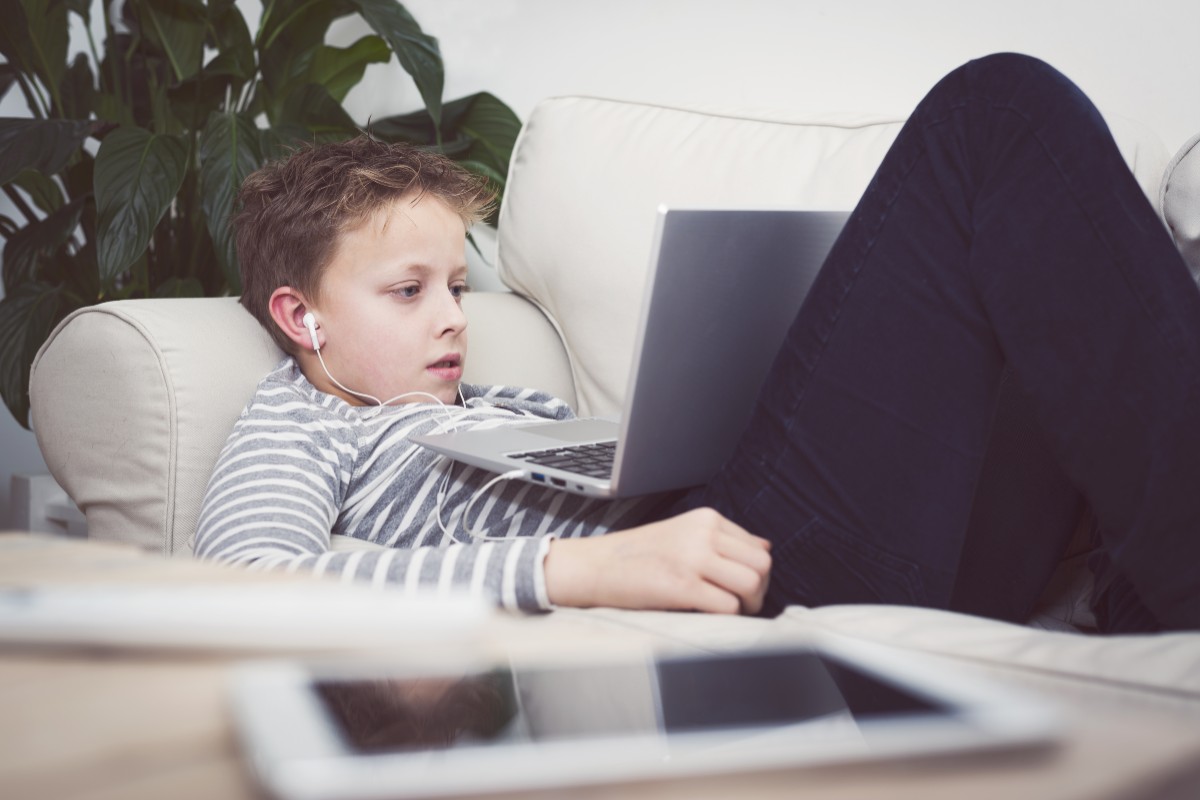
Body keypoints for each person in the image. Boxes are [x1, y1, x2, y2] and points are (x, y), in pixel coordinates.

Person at [194, 53, 1200, 634]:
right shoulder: (302, 421)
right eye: (409, 291)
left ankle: (1143, 586)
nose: (455, 315)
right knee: (995, 114)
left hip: (812, 533)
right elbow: (243, 590)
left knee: (1017, 266)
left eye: (457, 284)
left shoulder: (494, 411)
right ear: (301, 317)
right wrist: (578, 569)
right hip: (741, 572)